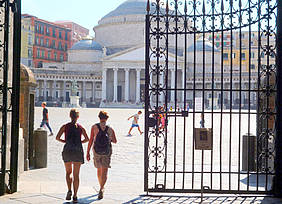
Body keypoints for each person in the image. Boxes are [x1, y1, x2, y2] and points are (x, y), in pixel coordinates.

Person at [56, 109, 89, 203]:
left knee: (68, 172)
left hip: (67, 150)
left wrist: (65, 141)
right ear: (78, 117)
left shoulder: (65, 126)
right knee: (76, 175)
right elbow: (87, 139)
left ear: (70, 116)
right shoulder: (80, 128)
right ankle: (75, 196)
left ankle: (69, 190)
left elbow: (57, 137)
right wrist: (80, 142)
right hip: (78, 151)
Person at [86, 111, 117, 200]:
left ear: (99, 117)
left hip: (97, 151)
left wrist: (87, 152)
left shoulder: (94, 127)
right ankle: (102, 188)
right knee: (105, 170)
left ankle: (101, 186)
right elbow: (115, 141)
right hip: (107, 151)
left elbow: (91, 140)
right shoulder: (110, 129)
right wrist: (109, 138)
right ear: (107, 119)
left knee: (99, 169)